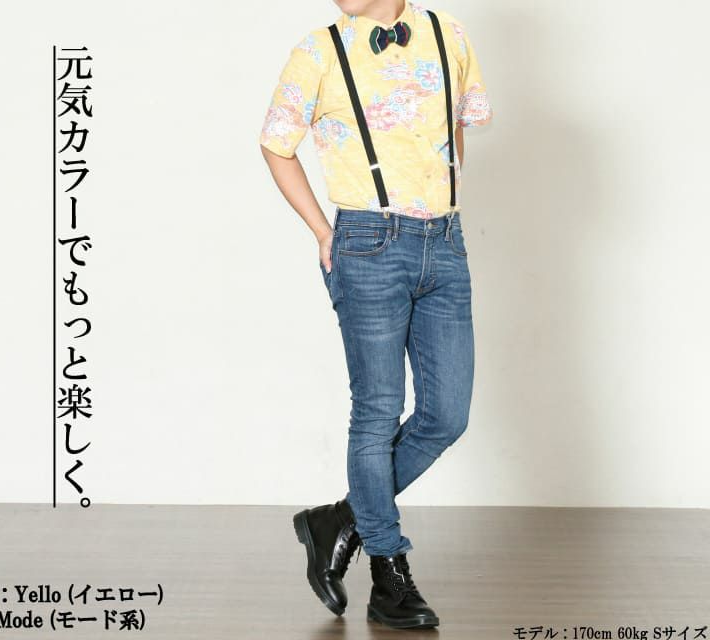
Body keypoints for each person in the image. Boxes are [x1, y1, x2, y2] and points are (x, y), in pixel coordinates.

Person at [259, 0, 493, 629]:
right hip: (366, 243)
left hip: (445, 241)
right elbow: (275, 144)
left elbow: (457, 129)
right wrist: (323, 231)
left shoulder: (449, 35)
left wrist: (440, 203)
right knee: (377, 411)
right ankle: (389, 573)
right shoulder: (319, 50)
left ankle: (340, 520)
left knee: (447, 414)